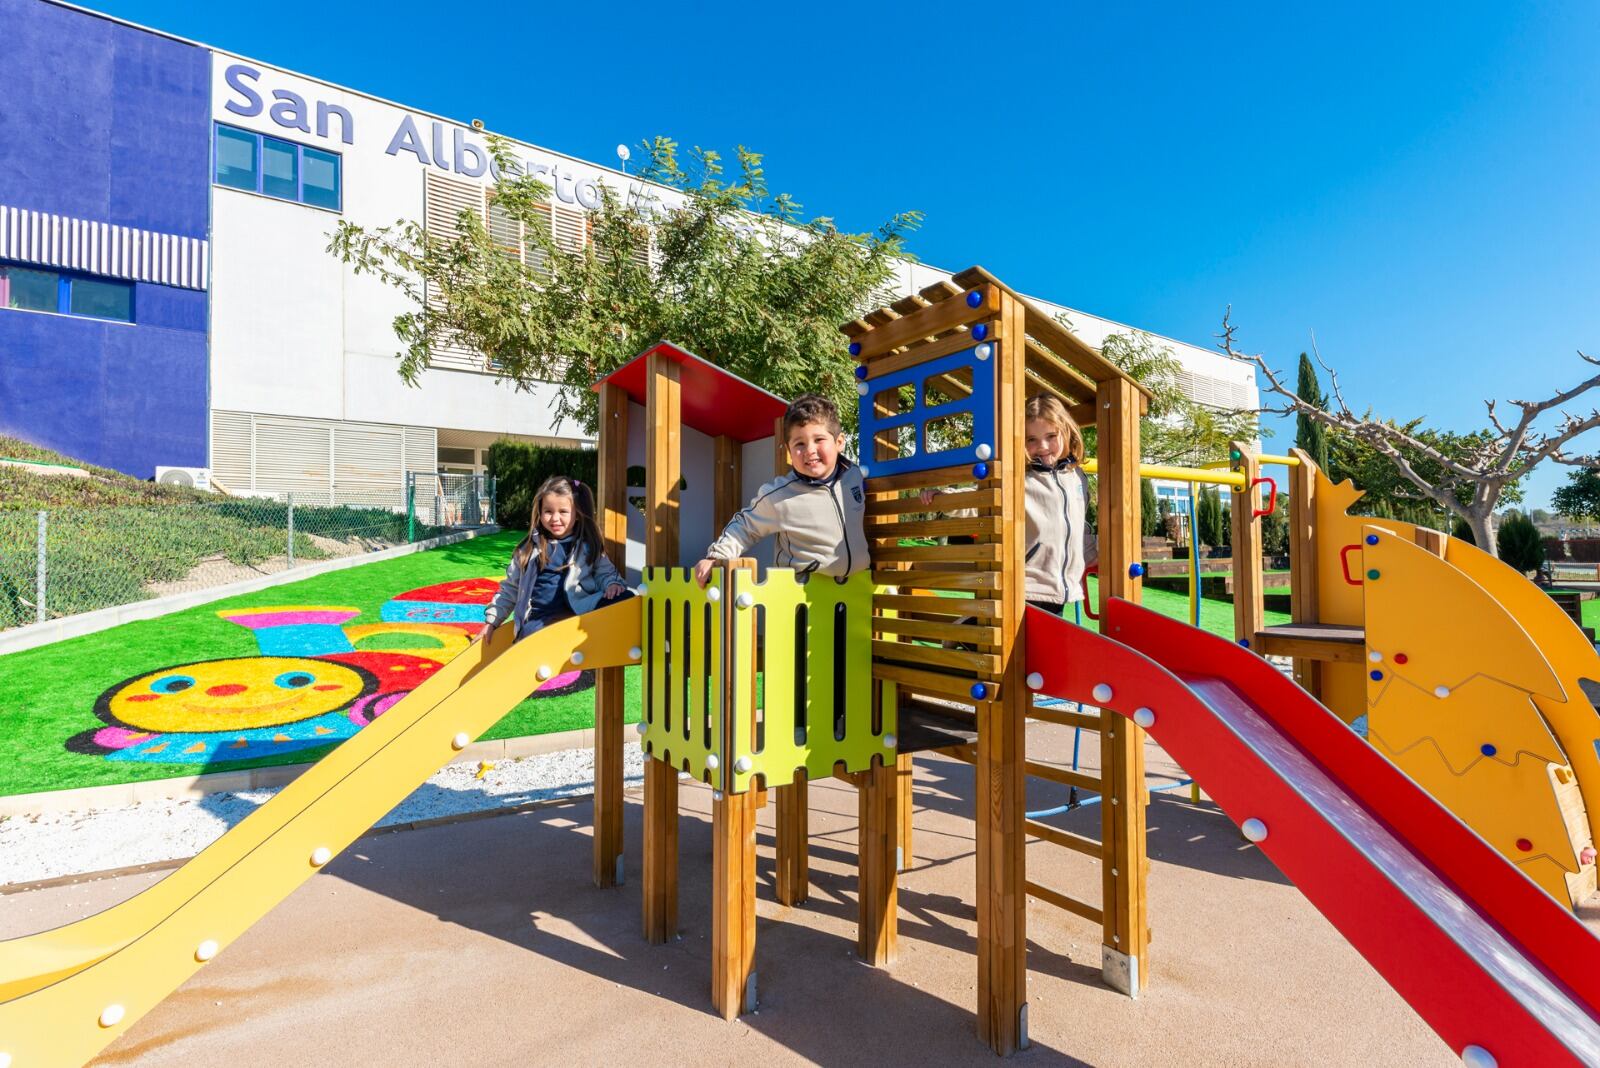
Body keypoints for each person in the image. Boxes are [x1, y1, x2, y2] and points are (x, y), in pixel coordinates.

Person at [921, 393, 1097, 614]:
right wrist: (943, 498)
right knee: (1021, 640)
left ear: (1067, 432)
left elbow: (1078, 526)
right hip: (1028, 584)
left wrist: (1095, 550)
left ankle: (971, 628)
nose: (1042, 446)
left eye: (1051, 436)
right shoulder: (1023, 480)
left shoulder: (1077, 478)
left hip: (1061, 589)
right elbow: (981, 498)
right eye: (1031, 439)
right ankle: (970, 629)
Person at [694, 393, 869, 584]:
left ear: (839, 442)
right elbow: (745, 526)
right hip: (802, 596)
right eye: (799, 444)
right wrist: (715, 557)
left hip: (853, 591)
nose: (810, 450)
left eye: (819, 439)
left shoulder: (853, 477)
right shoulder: (781, 496)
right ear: (789, 451)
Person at [485, 475, 630, 640]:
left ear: (577, 514)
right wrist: (491, 622)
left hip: (578, 612)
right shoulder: (528, 549)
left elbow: (605, 572)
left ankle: (595, 642)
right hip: (541, 617)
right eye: (548, 511)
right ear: (539, 512)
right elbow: (510, 590)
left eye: (563, 512)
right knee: (530, 636)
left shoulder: (587, 546)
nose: (555, 518)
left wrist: (612, 584)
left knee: (624, 598)